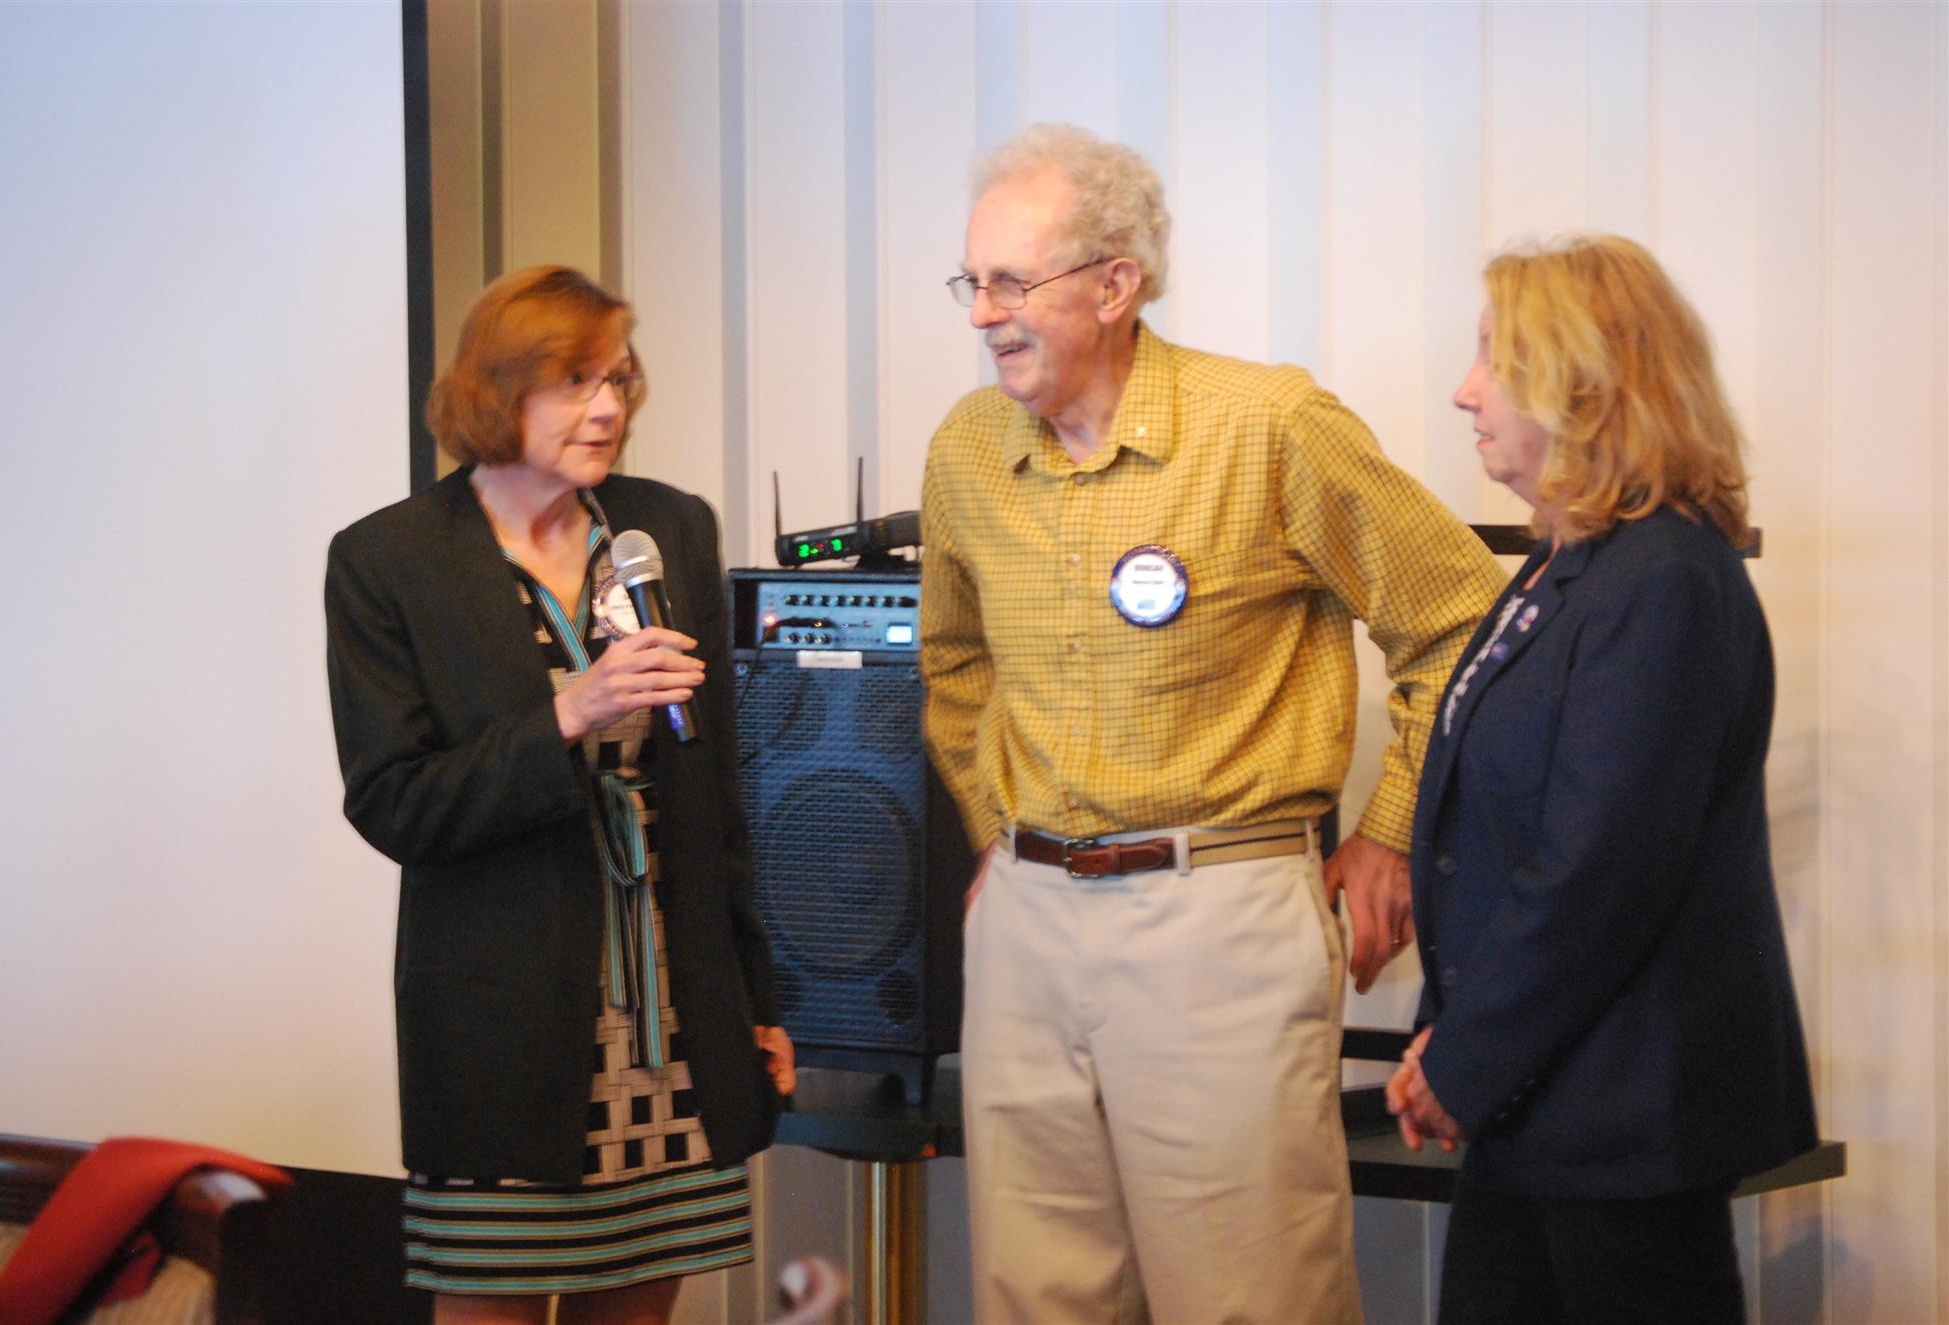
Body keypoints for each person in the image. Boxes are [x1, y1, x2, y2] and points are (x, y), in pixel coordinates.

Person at [919, 123, 1505, 1324]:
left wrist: (1390, 834)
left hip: (1216, 917)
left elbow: (1458, 622)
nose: (983, 314)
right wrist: (992, 831)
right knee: (1037, 1295)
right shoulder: (968, 449)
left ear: (1116, 284)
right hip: (1024, 930)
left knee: (1249, 1295)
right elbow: (955, 659)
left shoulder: (1268, 424)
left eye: (1012, 282)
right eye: (972, 281)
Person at [325, 266, 793, 1325]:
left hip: (673, 1010)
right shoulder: (390, 559)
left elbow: (716, 794)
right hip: (503, 1022)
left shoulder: (666, 525)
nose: (608, 406)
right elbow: (395, 802)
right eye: (576, 380)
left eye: (619, 378)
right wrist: (569, 714)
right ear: (498, 390)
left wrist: (756, 997)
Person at [1386, 235, 1818, 1324]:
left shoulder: (1663, 576)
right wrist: (1454, 1038)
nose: (1464, 390)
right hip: (1541, 1095)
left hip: (1624, 1112)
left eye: (1495, 360)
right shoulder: (1571, 561)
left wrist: (1466, 1056)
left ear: (1581, 385)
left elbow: (1597, 869)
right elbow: (1499, 837)